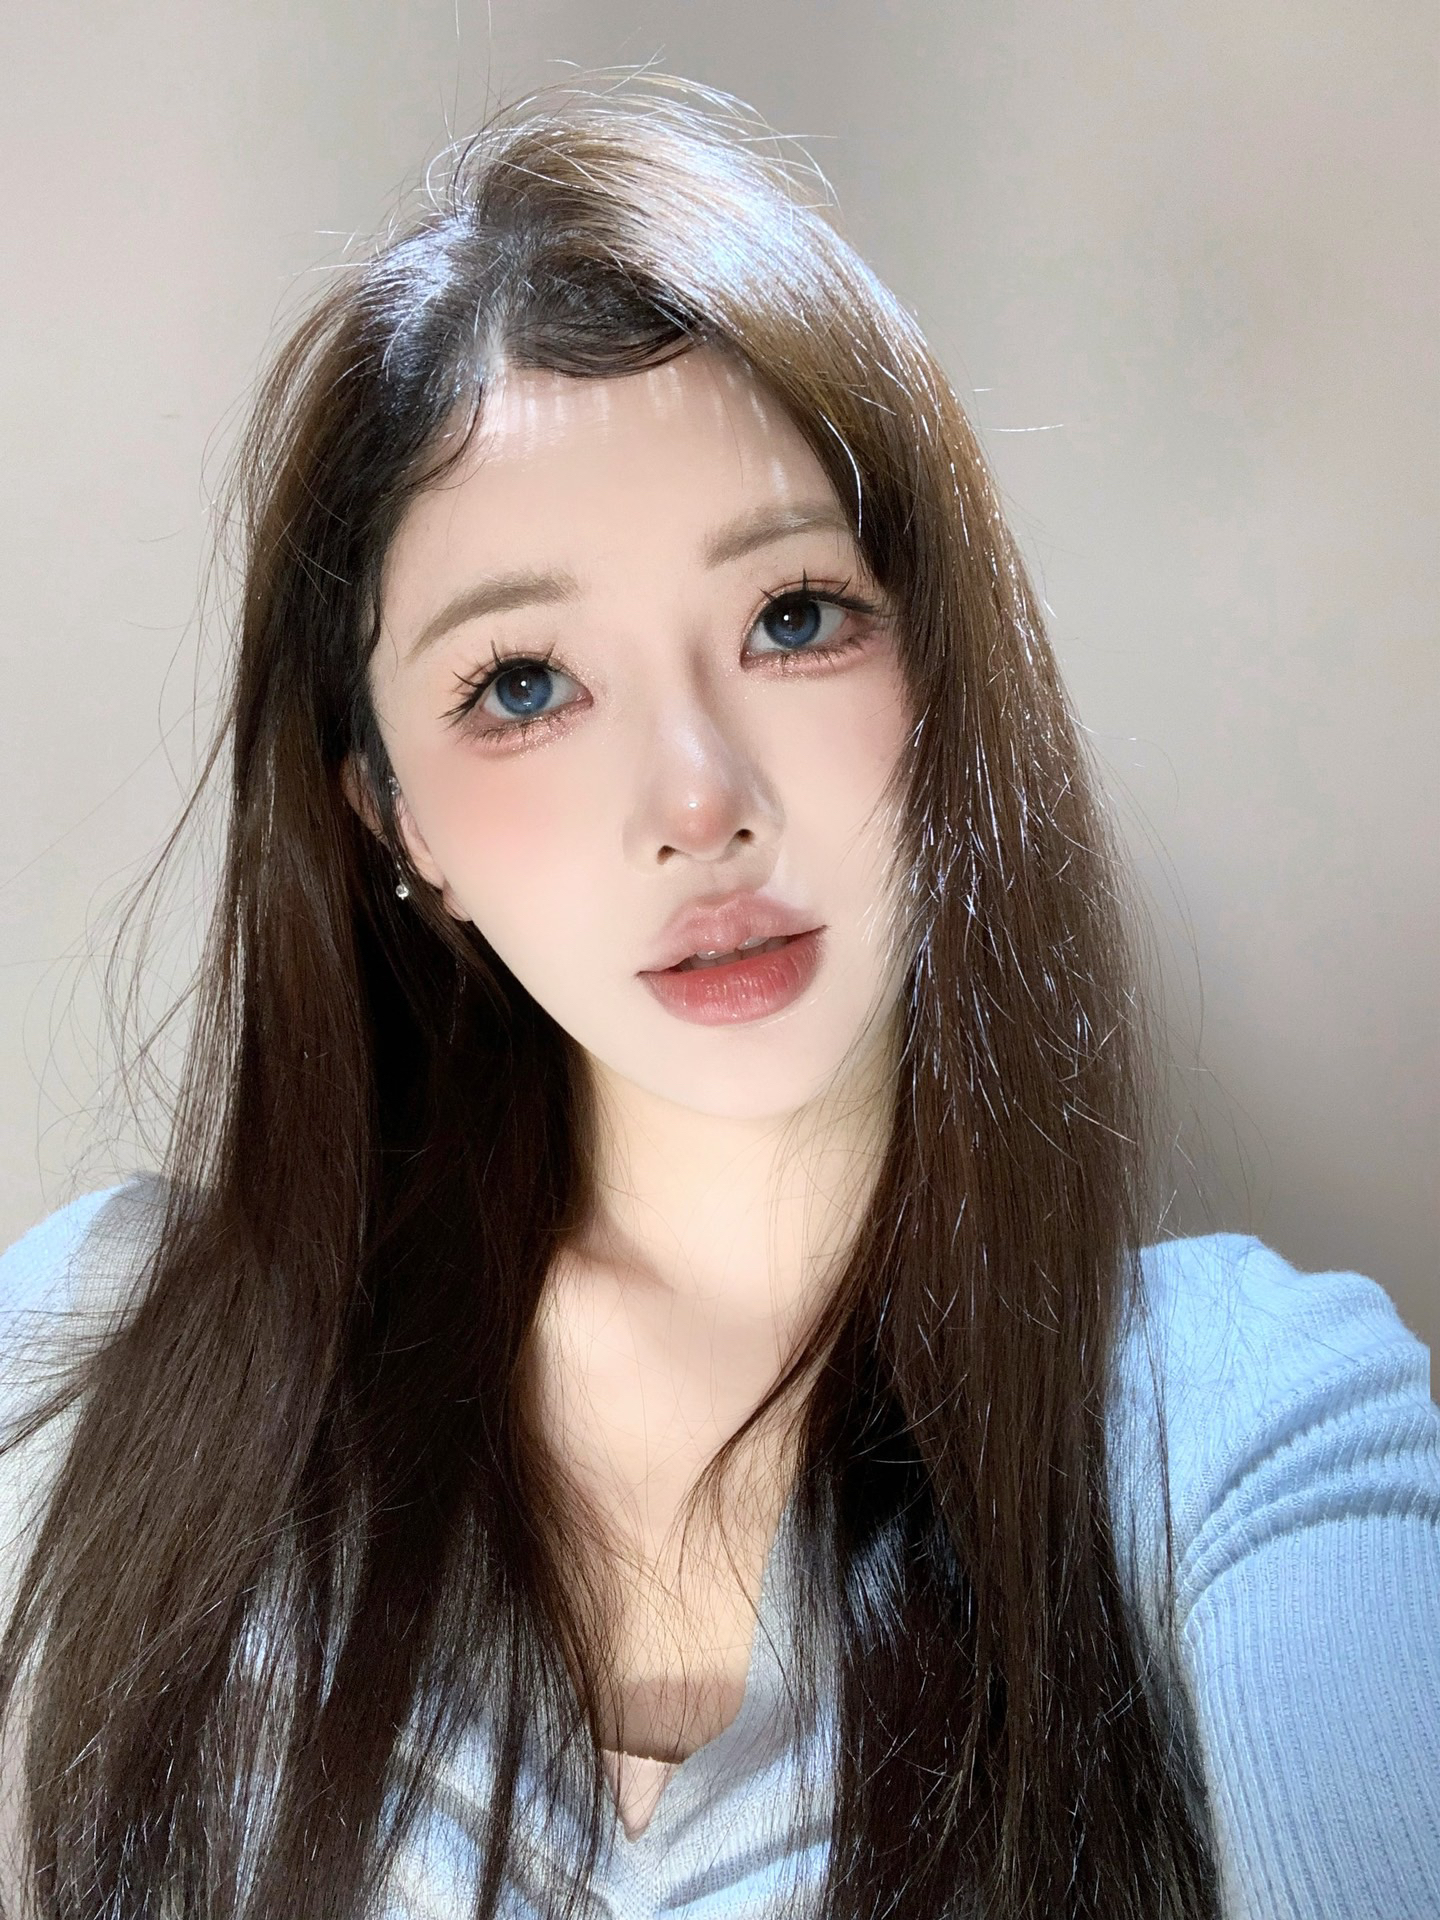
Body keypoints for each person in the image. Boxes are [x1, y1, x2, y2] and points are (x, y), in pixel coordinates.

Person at [0, 77, 1435, 1920]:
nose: (699, 800)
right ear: (392, 819)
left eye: (792, 617)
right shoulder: (107, 1372)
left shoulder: (1233, 1429)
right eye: (523, 684)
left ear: (943, 671)